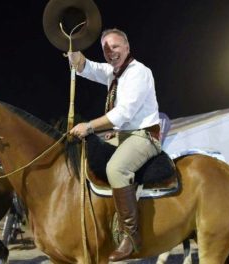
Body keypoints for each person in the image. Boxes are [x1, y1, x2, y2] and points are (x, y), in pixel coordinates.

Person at [68, 28, 161, 261]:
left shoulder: (139, 72)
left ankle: (131, 236)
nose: (111, 52)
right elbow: (88, 68)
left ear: (128, 47)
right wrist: (75, 56)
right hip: (123, 134)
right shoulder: (114, 72)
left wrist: (89, 126)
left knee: (116, 169)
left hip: (144, 136)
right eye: (106, 49)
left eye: (116, 46)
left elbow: (123, 113)